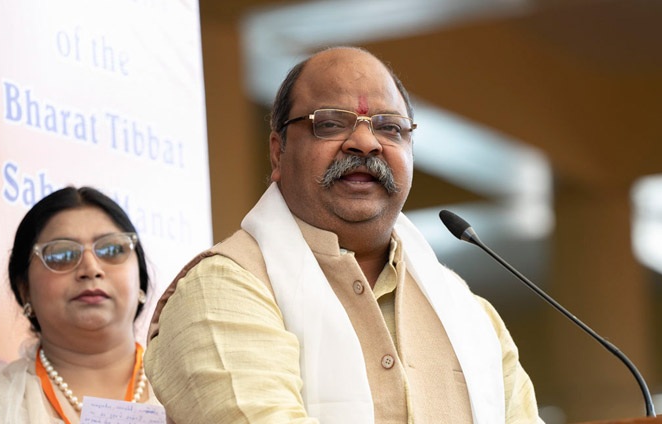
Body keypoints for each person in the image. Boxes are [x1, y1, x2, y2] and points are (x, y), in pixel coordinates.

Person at [145, 46, 544, 423]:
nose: (366, 143)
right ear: (277, 152)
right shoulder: (224, 289)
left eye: (390, 128)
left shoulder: (471, 315)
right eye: (331, 123)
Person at [0, 186, 162, 423]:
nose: (91, 269)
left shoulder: (191, 393)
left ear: (139, 278)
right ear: (25, 290)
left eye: (111, 249)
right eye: (61, 255)